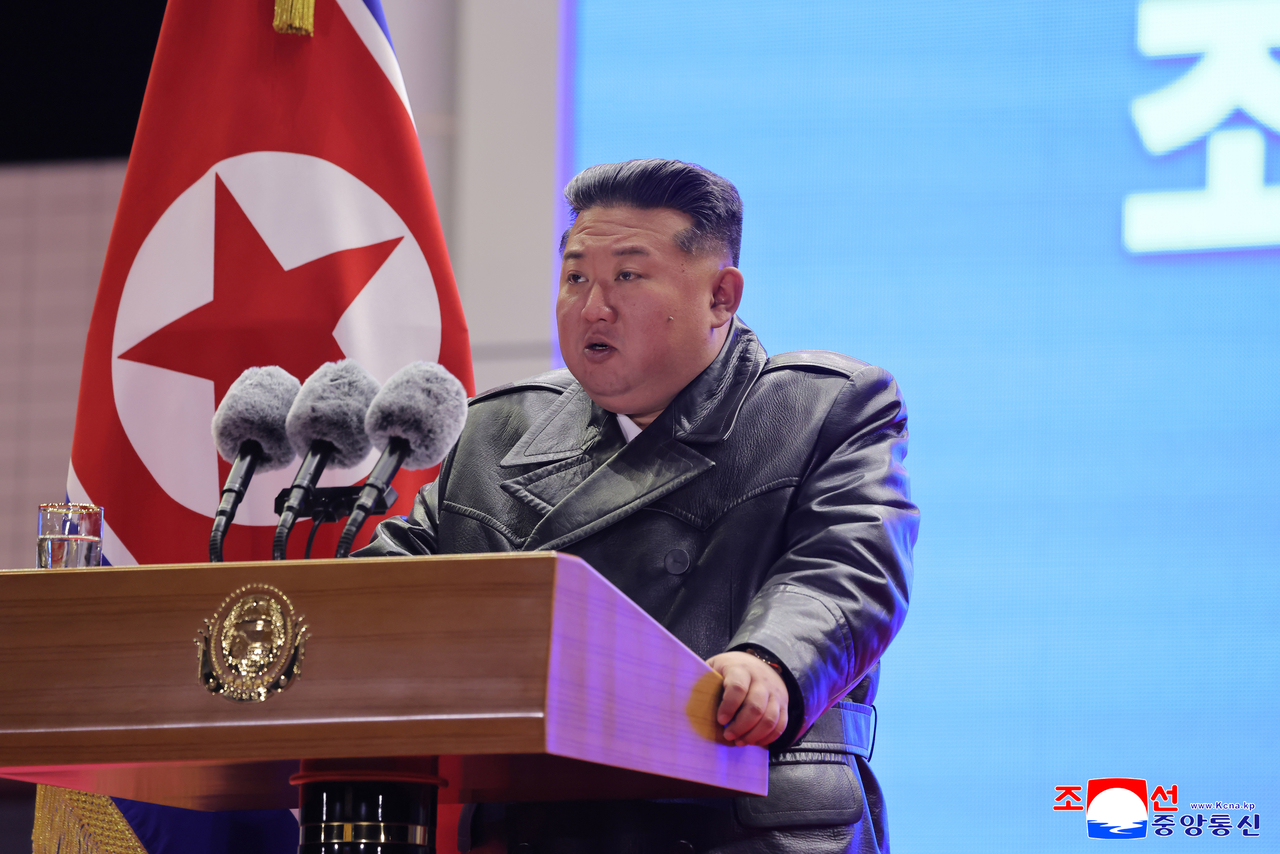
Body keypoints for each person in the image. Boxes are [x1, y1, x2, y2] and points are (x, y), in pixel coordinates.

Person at [356, 159, 918, 854]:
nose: (593, 306)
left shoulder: (823, 407)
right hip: (543, 825)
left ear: (721, 297)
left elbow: (848, 570)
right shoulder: (493, 431)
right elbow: (391, 594)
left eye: (627, 275)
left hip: (745, 817)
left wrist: (769, 661)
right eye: (575, 278)